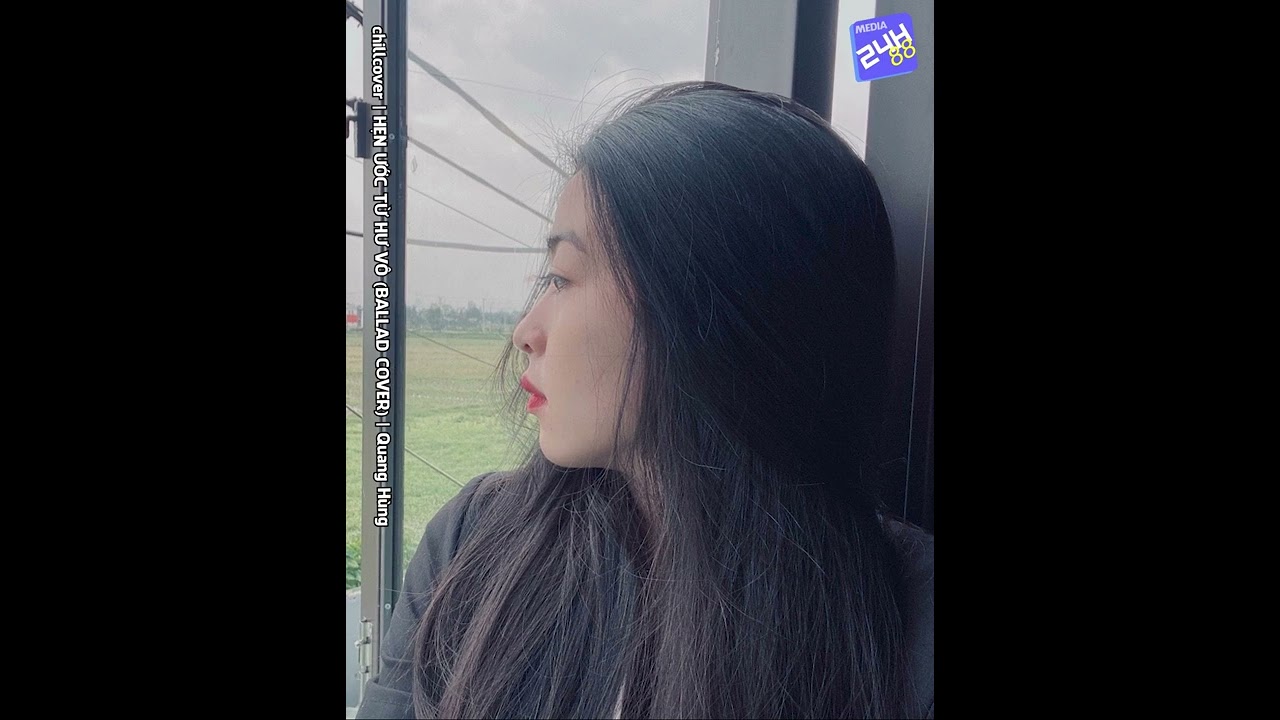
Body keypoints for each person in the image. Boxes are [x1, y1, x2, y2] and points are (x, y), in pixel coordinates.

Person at [355, 80, 933, 719]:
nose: (525, 332)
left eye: (562, 278)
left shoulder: (908, 614)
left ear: (716, 319)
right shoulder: (473, 540)